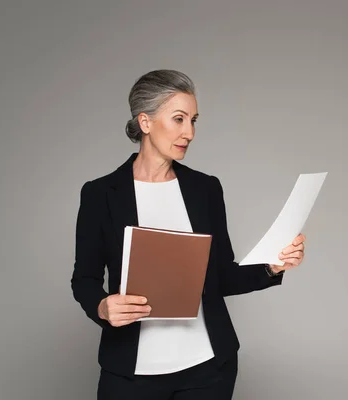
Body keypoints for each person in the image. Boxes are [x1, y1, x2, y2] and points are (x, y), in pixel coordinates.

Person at [70, 69, 306, 400]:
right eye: (179, 119)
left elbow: (220, 277)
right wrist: (101, 306)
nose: (189, 132)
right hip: (130, 373)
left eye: (194, 120)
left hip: (207, 371)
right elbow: (85, 278)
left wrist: (273, 267)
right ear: (146, 122)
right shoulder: (100, 194)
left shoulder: (205, 189)